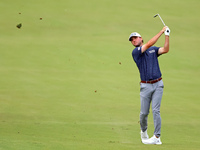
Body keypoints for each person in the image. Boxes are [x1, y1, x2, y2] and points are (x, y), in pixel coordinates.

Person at [129, 26, 170, 145]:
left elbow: (165, 49)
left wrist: (167, 35)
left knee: (156, 110)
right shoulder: (136, 52)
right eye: (132, 40)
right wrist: (161, 31)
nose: (134, 40)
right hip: (145, 86)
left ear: (141, 38)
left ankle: (157, 136)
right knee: (144, 113)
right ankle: (143, 131)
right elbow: (150, 43)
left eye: (135, 38)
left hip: (158, 84)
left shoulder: (153, 50)